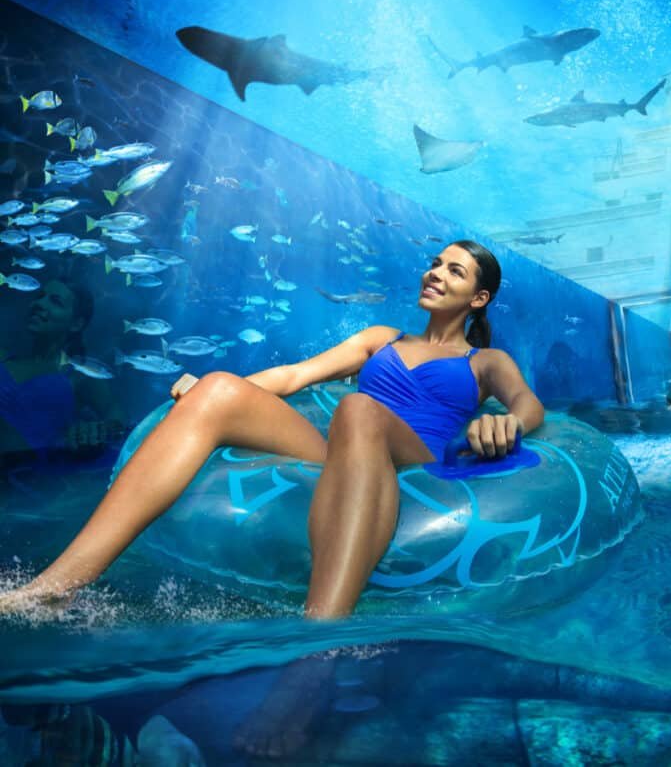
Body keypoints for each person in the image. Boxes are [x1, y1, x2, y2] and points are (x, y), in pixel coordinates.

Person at [1, 241, 545, 757]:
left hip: (414, 464)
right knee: (218, 386)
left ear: (479, 298)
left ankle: (312, 662)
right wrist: (214, 390)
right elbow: (293, 376)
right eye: (435, 263)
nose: (435, 273)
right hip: (339, 453)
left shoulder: (485, 362)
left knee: (358, 410)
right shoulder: (382, 337)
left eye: (454, 271)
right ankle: (58, 586)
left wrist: (507, 423)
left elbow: (529, 406)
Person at [0, 278, 125, 464]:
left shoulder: (79, 375)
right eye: (40, 296)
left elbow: (117, 415)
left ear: (76, 324)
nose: (39, 304)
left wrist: (98, 430)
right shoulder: (3, 357)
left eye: (55, 301)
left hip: (36, 483)